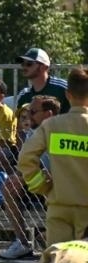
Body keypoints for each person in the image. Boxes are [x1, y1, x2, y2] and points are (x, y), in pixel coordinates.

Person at [17, 66, 88, 250]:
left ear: (67, 94)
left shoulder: (52, 125)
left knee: (56, 262)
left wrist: (41, 184)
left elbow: (25, 157)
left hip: (58, 206)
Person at [0, 96, 60, 260]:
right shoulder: (33, 133)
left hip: (62, 182)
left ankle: (53, 237)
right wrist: (20, 176)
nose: (29, 115)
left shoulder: (61, 130)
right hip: (41, 180)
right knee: (10, 186)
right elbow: (25, 163)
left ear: (48, 114)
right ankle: (23, 243)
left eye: (33, 112)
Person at [16, 47, 69, 115]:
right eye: (23, 64)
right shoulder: (24, 95)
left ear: (44, 67)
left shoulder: (63, 88)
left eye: (29, 64)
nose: (24, 67)